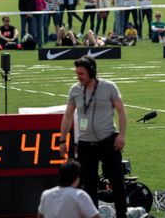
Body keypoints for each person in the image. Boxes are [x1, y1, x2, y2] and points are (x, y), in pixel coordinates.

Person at [59, 56, 128, 218]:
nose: (78, 77)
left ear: (92, 72)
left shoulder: (109, 87)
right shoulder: (75, 90)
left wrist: (122, 135)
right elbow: (68, 116)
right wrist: (63, 140)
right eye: (77, 73)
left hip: (109, 140)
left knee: (116, 181)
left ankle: (122, 215)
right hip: (85, 144)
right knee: (88, 184)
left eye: (81, 74)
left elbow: (122, 111)